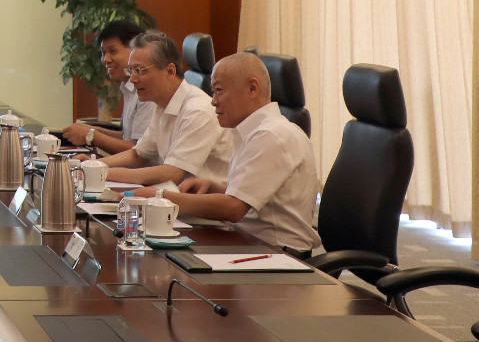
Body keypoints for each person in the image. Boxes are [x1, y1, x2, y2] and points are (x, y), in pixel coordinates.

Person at [134, 52, 322, 253]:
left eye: (219, 91)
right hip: (248, 242)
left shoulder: (272, 135)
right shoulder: (250, 131)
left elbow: (233, 209)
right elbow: (253, 200)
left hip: (279, 255)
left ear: (252, 88)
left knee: (163, 256)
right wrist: (214, 187)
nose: (213, 101)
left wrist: (161, 196)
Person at [102, 30, 232, 186]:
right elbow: (139, 155)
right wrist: (93, 165)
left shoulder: (198, 111)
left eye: (139, 70)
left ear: (170, 71)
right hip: (173, 196)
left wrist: (104, 173)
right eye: (131, 71)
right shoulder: (161, 105)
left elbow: (172, 173)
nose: (133, 79)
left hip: (200, 200)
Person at [60, 20, 154, 155]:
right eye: (103, 53)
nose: (105, 59)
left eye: (113, 51)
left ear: (135, 51)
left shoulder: (148, 92)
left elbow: (140, 152)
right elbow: (127, 137)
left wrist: (91, 136)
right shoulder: (128, 87)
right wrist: (93, 130)